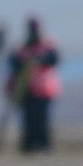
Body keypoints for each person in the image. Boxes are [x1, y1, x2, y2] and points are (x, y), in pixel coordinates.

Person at [5, 16, 62, 153]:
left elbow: (53, 60)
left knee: (42, 119)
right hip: (26, 89)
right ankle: (28, 145)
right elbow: (13, 64)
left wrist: (39, 60)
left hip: (44, 90)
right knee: (28, 120)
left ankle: (44, 145)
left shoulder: (47, 46)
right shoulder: (22, 47)